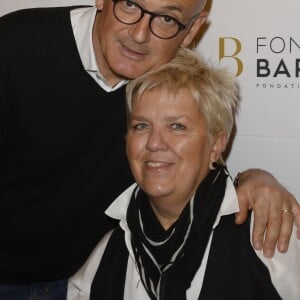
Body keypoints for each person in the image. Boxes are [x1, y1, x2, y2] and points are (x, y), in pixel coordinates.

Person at [0, 0, 299, 298]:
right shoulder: (15, 44)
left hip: (75, 281)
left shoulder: (164, 81)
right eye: (130, 4)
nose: (141, 34)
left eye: (167, 19)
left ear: (192, 29)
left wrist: (253, 179)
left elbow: (193, 162)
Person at [67, 48, 300, 300]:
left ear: (216, 144)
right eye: (141, 125)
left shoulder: (268, 237)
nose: (154, 143)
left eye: (177, 126)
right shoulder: (108, 250)